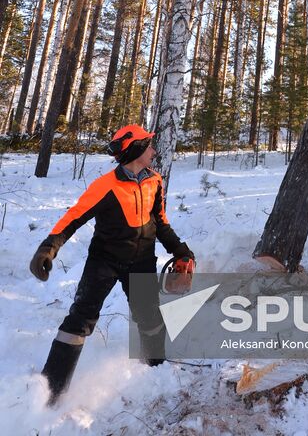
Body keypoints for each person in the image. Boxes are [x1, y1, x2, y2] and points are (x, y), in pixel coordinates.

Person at [29, 124, 194, 405]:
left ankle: (156, 371)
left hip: (141, 262)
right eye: (149, 145)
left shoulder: (155, 181)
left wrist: (180, 251)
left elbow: (161, 223)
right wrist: (48, 248)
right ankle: (50, 392)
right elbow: (75, 217)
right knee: (79, 319)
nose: (154, 150)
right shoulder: (105, 186)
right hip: (103, 262)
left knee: (150, 318)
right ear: (137, 149)